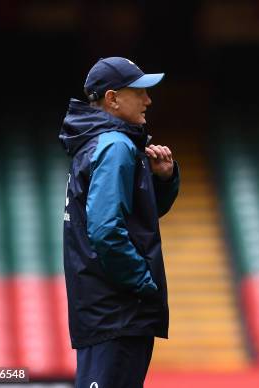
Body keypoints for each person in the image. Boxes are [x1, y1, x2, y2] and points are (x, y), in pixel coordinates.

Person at [59, 57, 180, 387]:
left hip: (101, 311)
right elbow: (105, 230)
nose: (148, 99)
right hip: (118, 312)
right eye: (139, 91)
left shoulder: (97, 141)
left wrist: (164, 180)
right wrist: (142, 283)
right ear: (112, 98)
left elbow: (134, 218)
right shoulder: (115, 145)